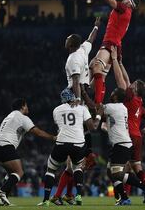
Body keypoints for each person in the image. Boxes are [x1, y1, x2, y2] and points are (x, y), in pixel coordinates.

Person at [49, 19, 101, 205]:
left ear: (71, 44)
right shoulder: (83, 50)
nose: (65, 40)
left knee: (71, 155)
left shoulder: (72, 58)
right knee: (76, 157)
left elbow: (77, 81)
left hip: (75, 94)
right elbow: (91, 39)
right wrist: (96, 25)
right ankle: (69, 194)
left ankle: (58, 196)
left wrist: (78, 101)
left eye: (67, 38)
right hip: (83, 94)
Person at [109, 46, 145, 204]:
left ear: (135, 90)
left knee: (115, 169)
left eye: (133, 85)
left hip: (127, 136)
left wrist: (115, 60)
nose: (130, 84)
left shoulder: (129, 97)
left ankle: (125, 197)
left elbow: (120, 80)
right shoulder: (139, 102)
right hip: (138, 136)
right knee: (136, 168)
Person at [37, 89, 101, 207]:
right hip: (78, 143)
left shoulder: (56, 110)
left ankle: (46, 200)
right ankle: (79, 195)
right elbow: (92, 127)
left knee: (51, 170)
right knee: (77, 168)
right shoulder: (82, 108)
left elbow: (61, 125)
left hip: (62, 142)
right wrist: (98, 116)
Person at [0, 98, 56, 206]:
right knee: (19, 172)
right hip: (6, 145)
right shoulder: (22, 117)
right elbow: (37, 132)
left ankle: (3, 200)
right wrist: (53, 137)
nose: (27, 107)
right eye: (26, 105)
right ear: (22, 107)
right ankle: (2, 190)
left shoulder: (9, 116)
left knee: (11, 173)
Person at [98, 87, 145, 206]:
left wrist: (86, 97)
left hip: (122, 143)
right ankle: (124, 198)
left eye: (112, 92)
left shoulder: (114, 107)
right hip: (121, 143)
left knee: (117, 173)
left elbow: (97, 107)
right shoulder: (123, 107)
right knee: (110, 171)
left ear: (116, 96)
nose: (111, 93)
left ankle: (144, 187)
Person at [90, 0, 140, 104]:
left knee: (96, 67)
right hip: (114, 45)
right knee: (95, 74)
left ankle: (97, 104)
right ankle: (91, 97)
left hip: (110, 44)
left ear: (130, 2)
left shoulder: (123, 8)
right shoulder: (126, 11)